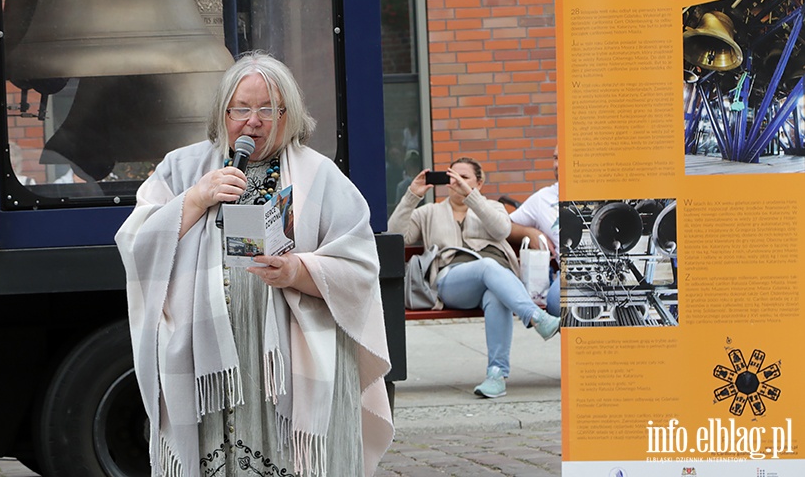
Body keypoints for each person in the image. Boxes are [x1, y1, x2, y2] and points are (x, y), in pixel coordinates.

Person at [115, 51, 393, 477]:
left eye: (269, 109)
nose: (254, 121)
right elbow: (135, 241)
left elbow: (359, 269)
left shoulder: (320, 176)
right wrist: (195, 199)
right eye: (241, 109)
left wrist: (298, 272)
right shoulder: (183, 168)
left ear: (289, 115)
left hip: (287, 365)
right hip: (207, 361)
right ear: (223, 113)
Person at [388, 157, 561, 399]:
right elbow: (396, 236)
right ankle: (535, 316)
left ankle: (496, 375)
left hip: (495, 281)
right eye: (452, 177)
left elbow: (502, 230)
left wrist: (472, 198)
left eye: (464, 178)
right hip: (451, 283)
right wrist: (411, 196)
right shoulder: (429, 212)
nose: (456, 182)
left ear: (479, 183)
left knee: (495, 295)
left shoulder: (493, 208)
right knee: (487, 266)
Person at [507, 147, 559, 317]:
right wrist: (529, 232)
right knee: (557, 303)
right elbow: (505, 226)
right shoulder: (543, 198)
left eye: (563, 159)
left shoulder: (603, 192)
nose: (557, 165)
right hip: (572, 275)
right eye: (555, 158)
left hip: (612, 268)